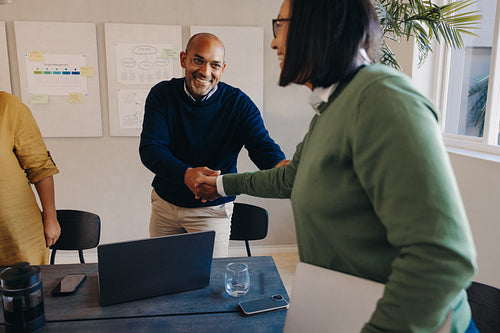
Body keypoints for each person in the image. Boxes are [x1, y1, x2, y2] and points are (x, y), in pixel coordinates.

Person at [196, 0, 478, 332]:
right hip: (346, 310)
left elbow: (441, 258)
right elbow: (290, 178)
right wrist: (220, 184)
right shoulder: (332, 109)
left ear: (319, 25)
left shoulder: (383, 97)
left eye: (281, 25)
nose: (274, 41)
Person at [139, 33, 288, 257]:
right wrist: (186, 174)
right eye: (198, 60)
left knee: (210, 282)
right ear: (183, 60)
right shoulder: (162, 95)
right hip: (165, 207)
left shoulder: (239, 104)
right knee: (163, 277)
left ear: (223, 68)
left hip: (212, 210)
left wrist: (281, 167)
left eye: (214, 65)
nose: (205, 72)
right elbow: (151, 148)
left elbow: (261, 145)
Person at [0, 91, 60, 266]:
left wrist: (51, 217)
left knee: (26, 289)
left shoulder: (8, 106)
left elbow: (40, 167)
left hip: (17, 233)